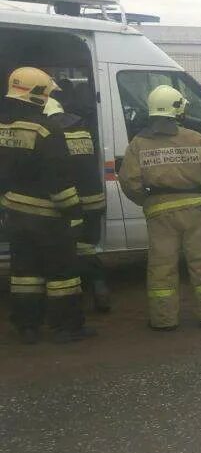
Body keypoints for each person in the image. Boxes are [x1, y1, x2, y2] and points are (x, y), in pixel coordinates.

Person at [118, 83, 201, 331]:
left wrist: (146, 201)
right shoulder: (196, 138)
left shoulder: (139, 143)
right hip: (196, 209)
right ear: (178, 111)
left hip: (159, 211)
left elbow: (129, 181)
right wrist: (197, 192)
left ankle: (164, 320)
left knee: (162, 267)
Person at [0, 67, 95, 344]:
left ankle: (27, 327)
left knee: (24, 274)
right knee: (62, 275)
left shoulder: (2, 127)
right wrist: (74, 213)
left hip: (15, 214)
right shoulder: (46, 129)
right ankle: (67, 327)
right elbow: (59, 180)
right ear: (38, 94)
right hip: (49, 217)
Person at [44, 83, 110, 313]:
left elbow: (55, 173)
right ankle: (100, 290)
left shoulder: (51, 134)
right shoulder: (81, 127)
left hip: (70, 203)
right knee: (88, 248)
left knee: (67, 252)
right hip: (94, 201)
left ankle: (72, 304)